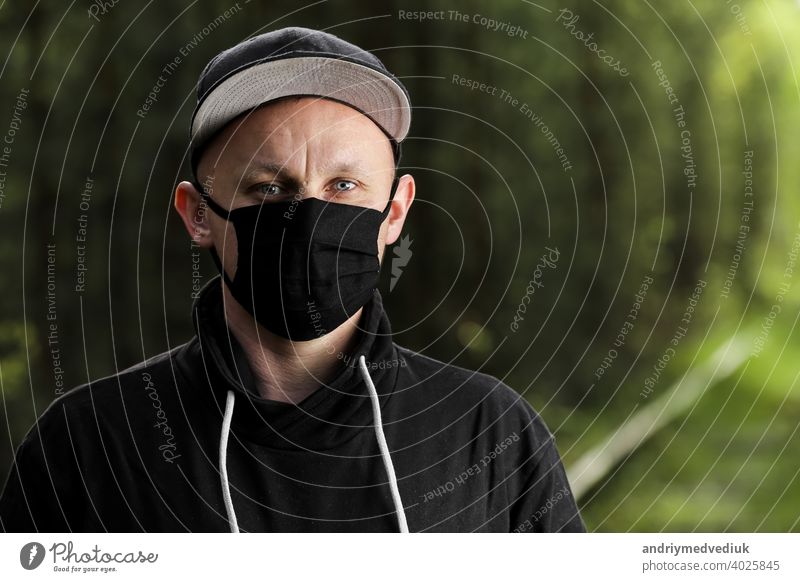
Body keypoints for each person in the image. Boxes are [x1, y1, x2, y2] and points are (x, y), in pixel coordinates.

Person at [0, 27, 585, 533]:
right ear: (197, 214)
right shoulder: (91, 443)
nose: (309, 215)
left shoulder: (488, 429)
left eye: (344, 187)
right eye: (268, 189)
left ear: (396, 212)